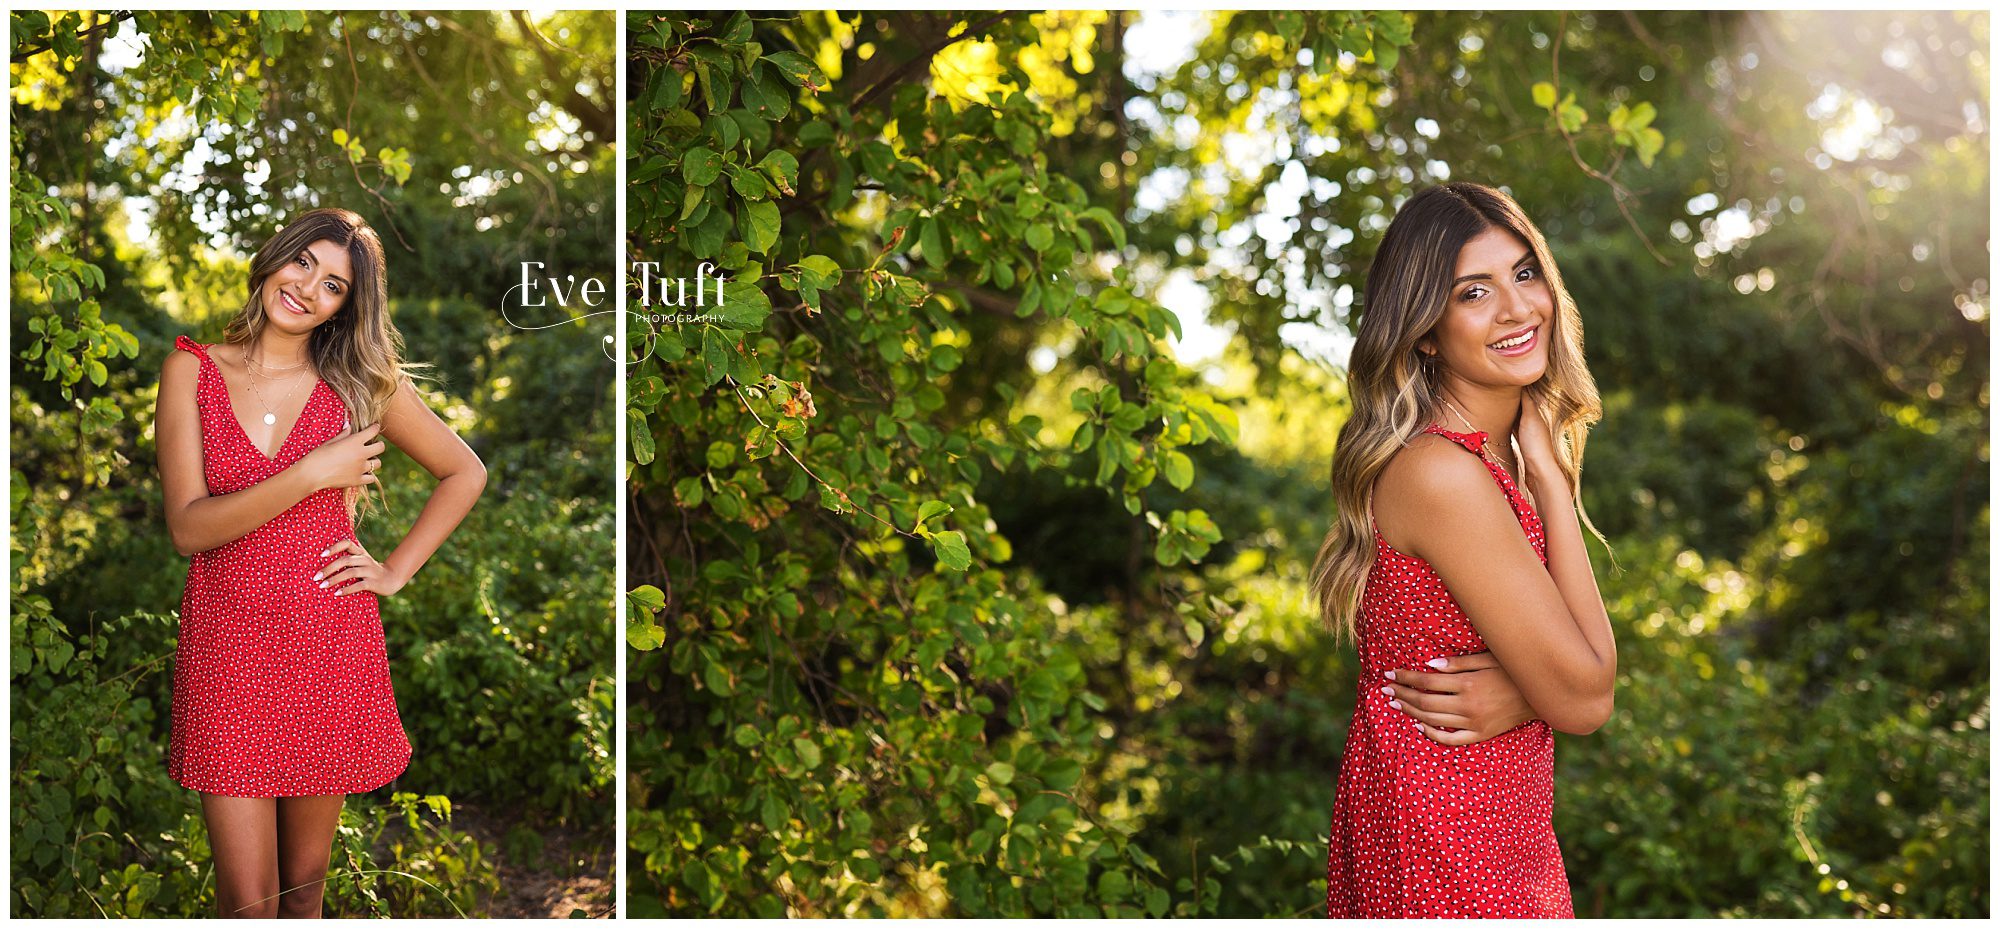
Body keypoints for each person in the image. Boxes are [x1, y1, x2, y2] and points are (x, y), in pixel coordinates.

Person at [154, 208, 487, 918]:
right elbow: (189, 528)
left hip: (328, 647)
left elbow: (464, 472)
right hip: (229, 652)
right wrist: (312, 473)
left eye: (334, 285)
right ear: (276, 256)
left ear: (346, 306)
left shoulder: (359, 386)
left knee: (303, 894)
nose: (308, 287)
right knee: (249, 904)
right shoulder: (191, 370)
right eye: (304, 262)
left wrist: (393, 571)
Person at [1310, 182, 1617, 918]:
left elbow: (1574, 682)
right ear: (1423, 329)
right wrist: (1542, 692)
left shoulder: (1501, 458)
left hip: (1504, 843)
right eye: (1474, 292)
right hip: (1444, 853)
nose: (1517, 307)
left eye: (1524, 272)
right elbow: (1586, 695)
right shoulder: (1442, 473)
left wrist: (1546, 472)